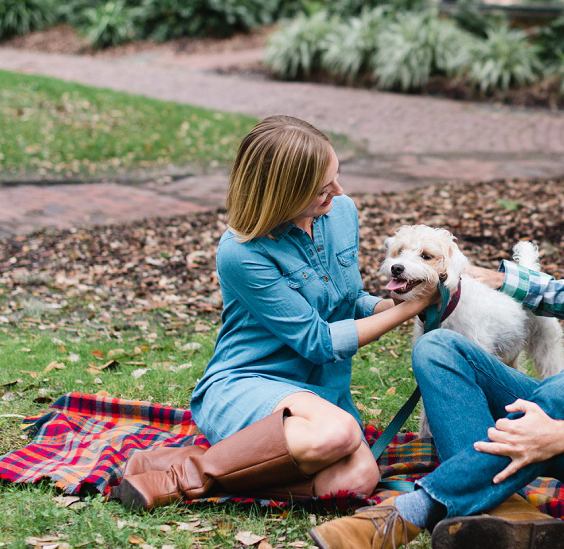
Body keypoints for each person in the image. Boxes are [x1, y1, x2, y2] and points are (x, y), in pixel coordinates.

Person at [309, 104, 564, 549]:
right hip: (563, 428)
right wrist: (509, 281)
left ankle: (411, 513)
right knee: (438, 347)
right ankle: (503, 510)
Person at [114, 115, 436, 511]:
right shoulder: (242, 252)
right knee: (337, 432)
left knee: (357, 481)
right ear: (284, 194)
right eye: (323, 189)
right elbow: (319, 342)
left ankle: (183, 466)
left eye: (337, 176)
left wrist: (414, 296)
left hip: (322, 393)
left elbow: (350, 302)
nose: (339, 191)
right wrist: (414, 308)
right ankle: (180, 476)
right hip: (249, 383)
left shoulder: (341, 212)